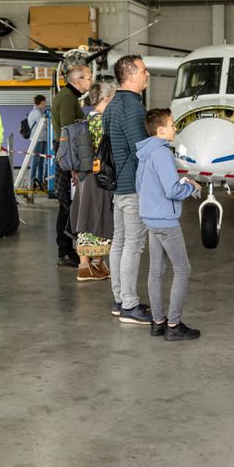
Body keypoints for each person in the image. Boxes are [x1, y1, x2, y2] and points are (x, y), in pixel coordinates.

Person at [136, 108, 202, 341]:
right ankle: (173, 325)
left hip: (150, 217)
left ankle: (158, 322)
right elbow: (172, 190)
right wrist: (191, 186)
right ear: (161, 129)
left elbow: (142, 185)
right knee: (183, 270)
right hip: (165, 220)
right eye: (172, 124)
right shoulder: (162, 154)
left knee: (156, 271)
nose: (176, 128)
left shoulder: (146, 152)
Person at [103, 55, 153, 324]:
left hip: (118, 187)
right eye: (144, 71)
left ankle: (120, 299)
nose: (147, 75)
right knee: (133, 245)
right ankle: (129, 305)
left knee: (120, 243)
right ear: (131, 75)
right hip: (133, 187)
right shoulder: (133, 107)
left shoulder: (112, 104)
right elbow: (140, 150)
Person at [69, 81, 115, 282]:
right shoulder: (102, 122)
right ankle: (84, 267)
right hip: (98, 178)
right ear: (105, 99)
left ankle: (94, 264)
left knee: (86, 216)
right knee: (94, 219)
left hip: (85, 177)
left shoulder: (87, 119)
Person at [52, 65, 93, 267]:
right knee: (66, 205)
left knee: (67, 205)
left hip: (66, 156)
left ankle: (67, 249)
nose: (91, 82)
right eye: (88, 78)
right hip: (67, 158)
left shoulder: (68, 96)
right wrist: (73, 167)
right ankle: (65, 251)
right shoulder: (68, 98)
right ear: (78, 80)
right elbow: (69, 133)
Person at [27, 94, 48, 189]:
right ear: (42, 102)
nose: (46, 104)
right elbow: (44, 125)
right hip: (37, 140)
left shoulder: (39, 111)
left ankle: (39, 180)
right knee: (35, 161)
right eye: (45, 102)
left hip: (42, 139)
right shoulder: (36, 113)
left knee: (41, 161)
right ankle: (32, 182)